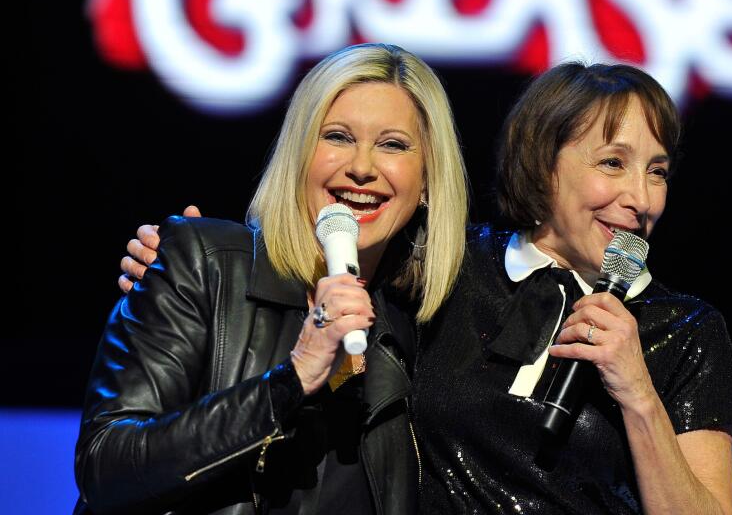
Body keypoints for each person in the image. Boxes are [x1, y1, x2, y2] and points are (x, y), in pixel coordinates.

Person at [119, 62, 732, 514]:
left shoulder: (683, 328)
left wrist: (638, 396)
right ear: (542, 166)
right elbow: (340, 223)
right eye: (613, 163)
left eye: (657, 172)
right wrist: (196, 258)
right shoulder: (450, 269)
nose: (639, 199)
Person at [74, 43, 468, 515]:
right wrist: (292, 378)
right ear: (299, 155)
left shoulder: (426, 327)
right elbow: (106, 469)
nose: (362, 167)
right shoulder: (205, 265)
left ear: (426, 180)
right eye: (338, 136)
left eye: (392, 144)